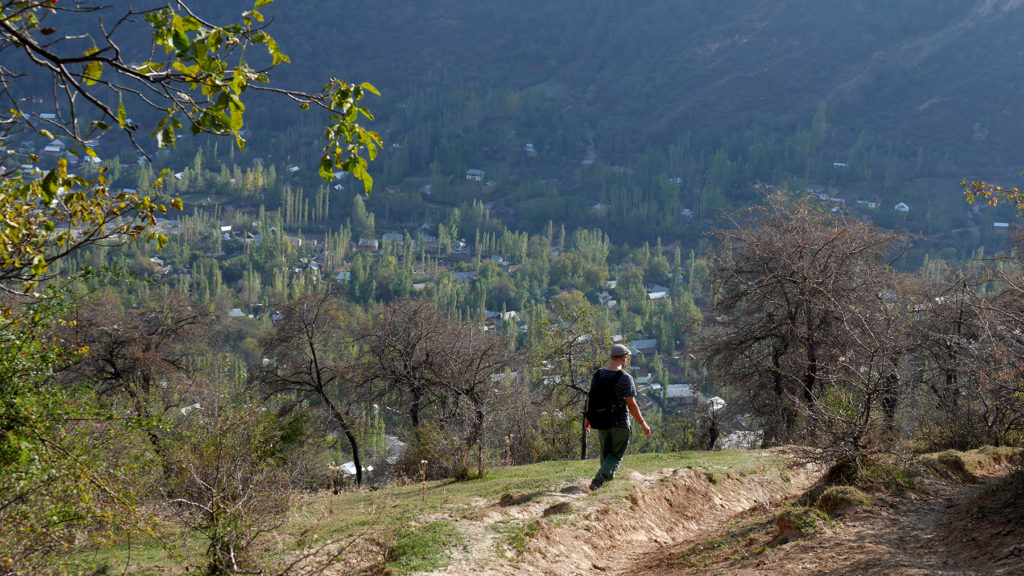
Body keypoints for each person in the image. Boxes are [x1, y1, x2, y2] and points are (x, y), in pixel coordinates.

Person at [585, 343, 651, 490]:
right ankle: (598, 480)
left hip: (601, 422)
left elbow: (592, 399)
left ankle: (606, 482)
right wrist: (643, 424)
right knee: (615, 455)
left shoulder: (597, 375)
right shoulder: (625, 378)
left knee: (605, 454)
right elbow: (632, 404)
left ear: (611, 357)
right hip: (620, 423)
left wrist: (588, 419)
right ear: (624, 358)